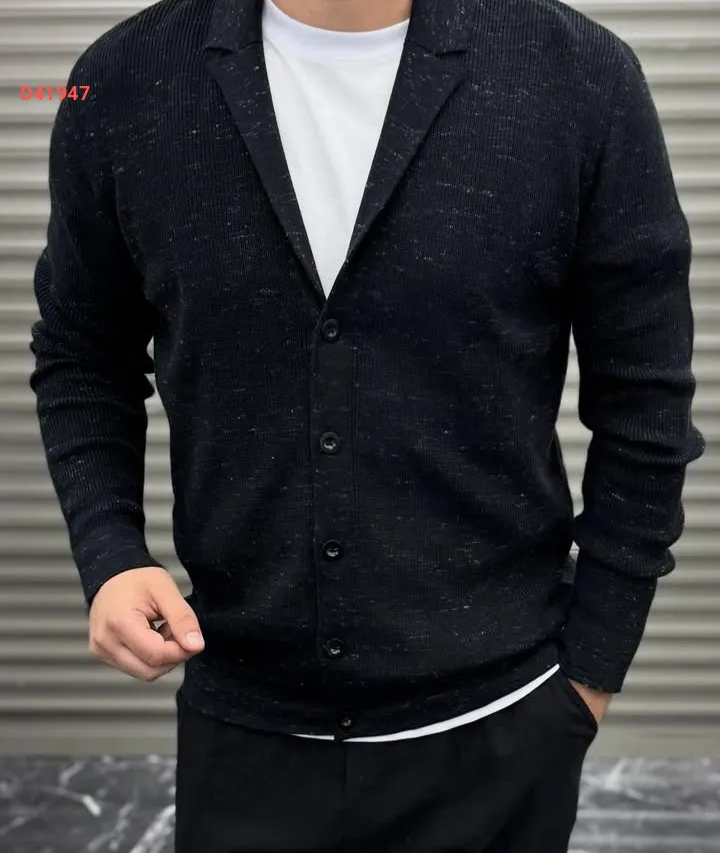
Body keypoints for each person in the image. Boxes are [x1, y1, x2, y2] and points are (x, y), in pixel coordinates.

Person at [30, 0, 705, 850]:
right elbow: (83, 354)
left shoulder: (580, 77)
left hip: (502, 735)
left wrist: (588, 680)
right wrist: (110, 553)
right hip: (243, 729)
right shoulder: (119, 83)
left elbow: (645, 403)